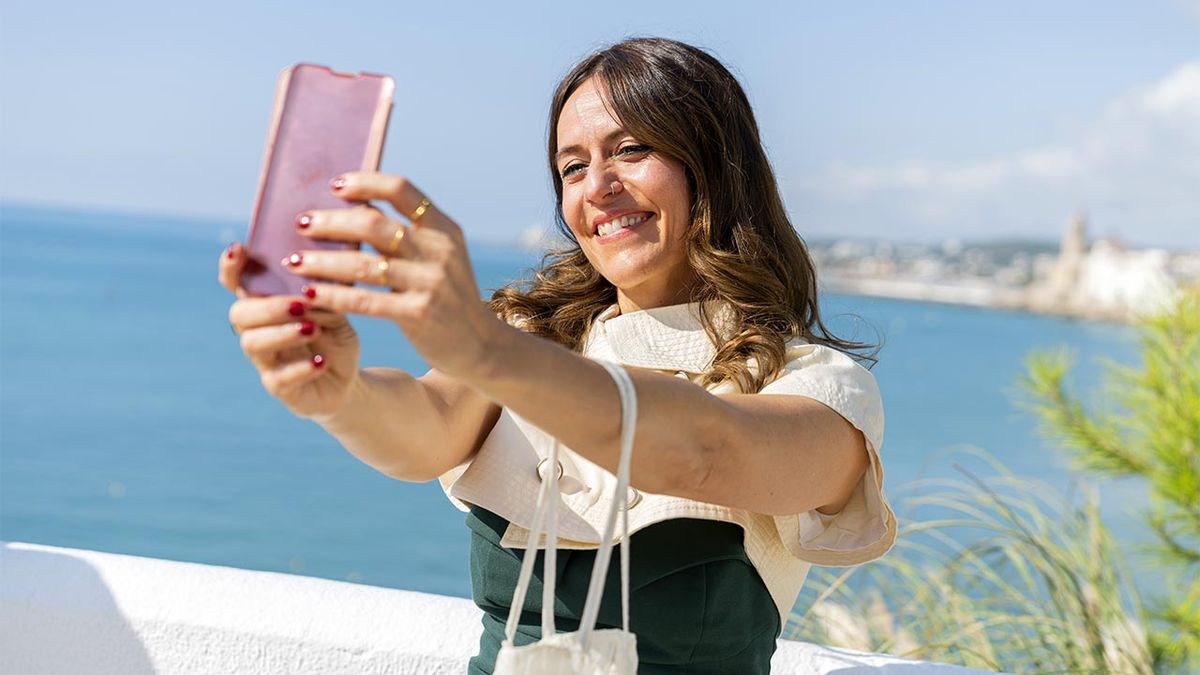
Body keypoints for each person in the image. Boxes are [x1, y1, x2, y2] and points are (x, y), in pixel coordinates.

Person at [220, 37, 895, 674]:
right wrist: (339, 392)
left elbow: (704, 452)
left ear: (713, 164)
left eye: (630, 149)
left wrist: (487, 348)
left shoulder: (816, 386)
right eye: (572, 166)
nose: (597, 185)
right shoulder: (532, 337)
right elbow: (427, 425)